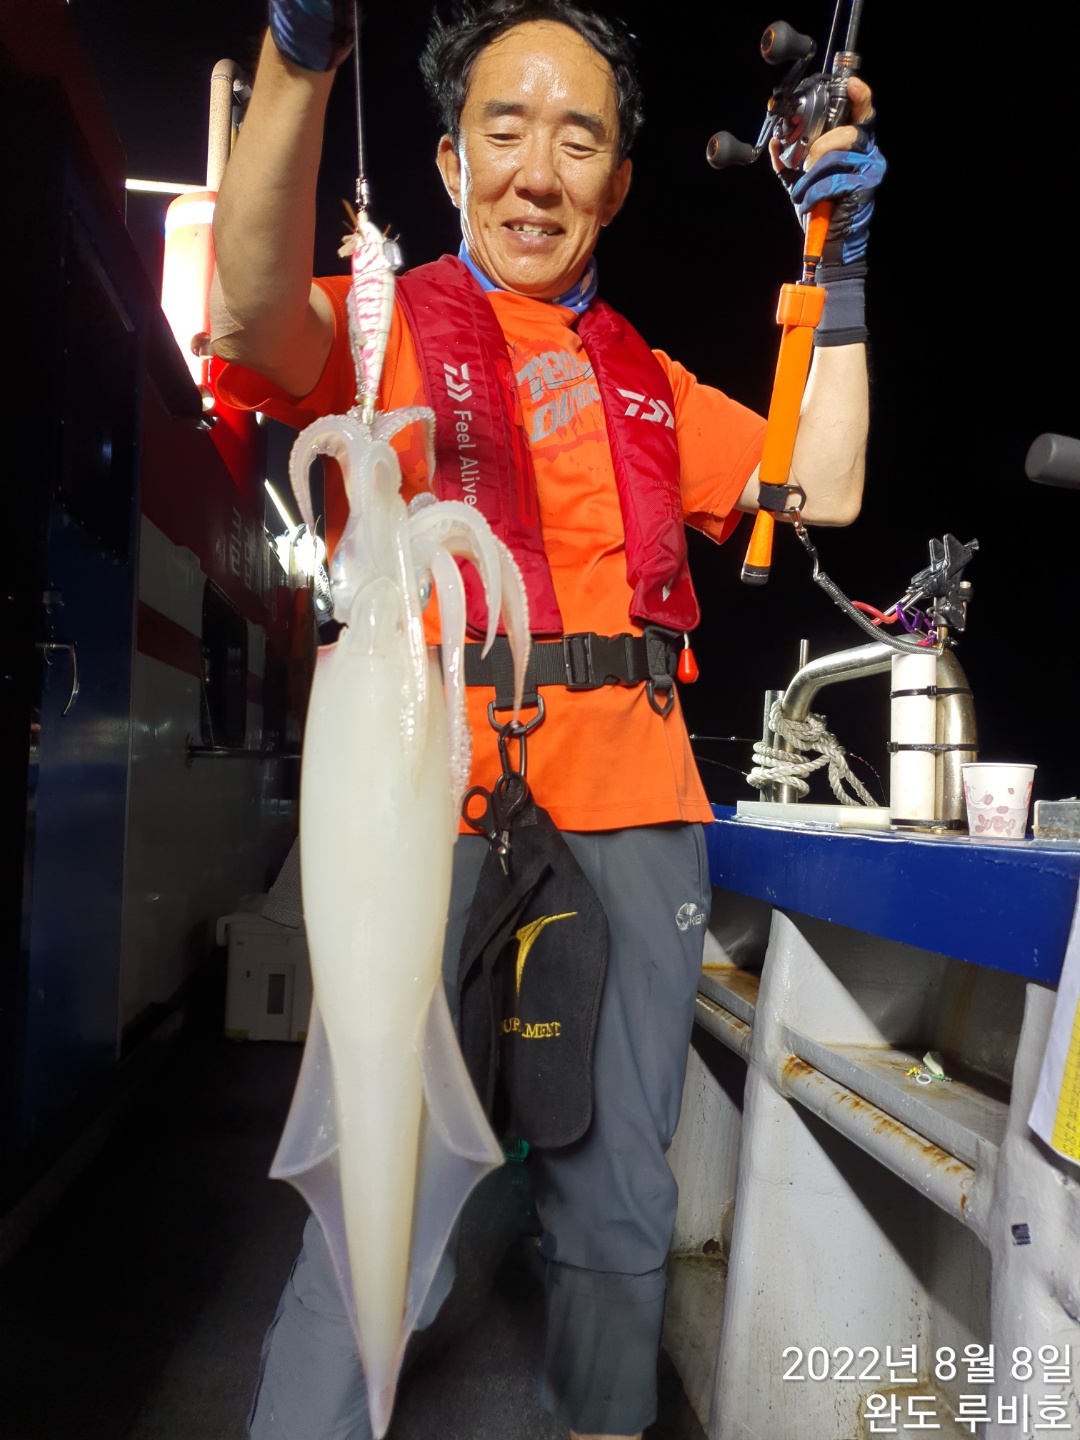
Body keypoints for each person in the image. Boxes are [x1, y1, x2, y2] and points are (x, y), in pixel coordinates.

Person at [210, 3, 882, 1436]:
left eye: (578, 141)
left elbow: (824, 482)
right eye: (502, 130)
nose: (536, 171)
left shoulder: (651, 380)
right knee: (376, 1197)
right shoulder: (386, 324)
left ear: (618, 183)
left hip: (637, 800)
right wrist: (299, 60)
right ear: (448, 161)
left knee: (620, 1201)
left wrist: (840, 261)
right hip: (423, 796)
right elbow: (253, 308)